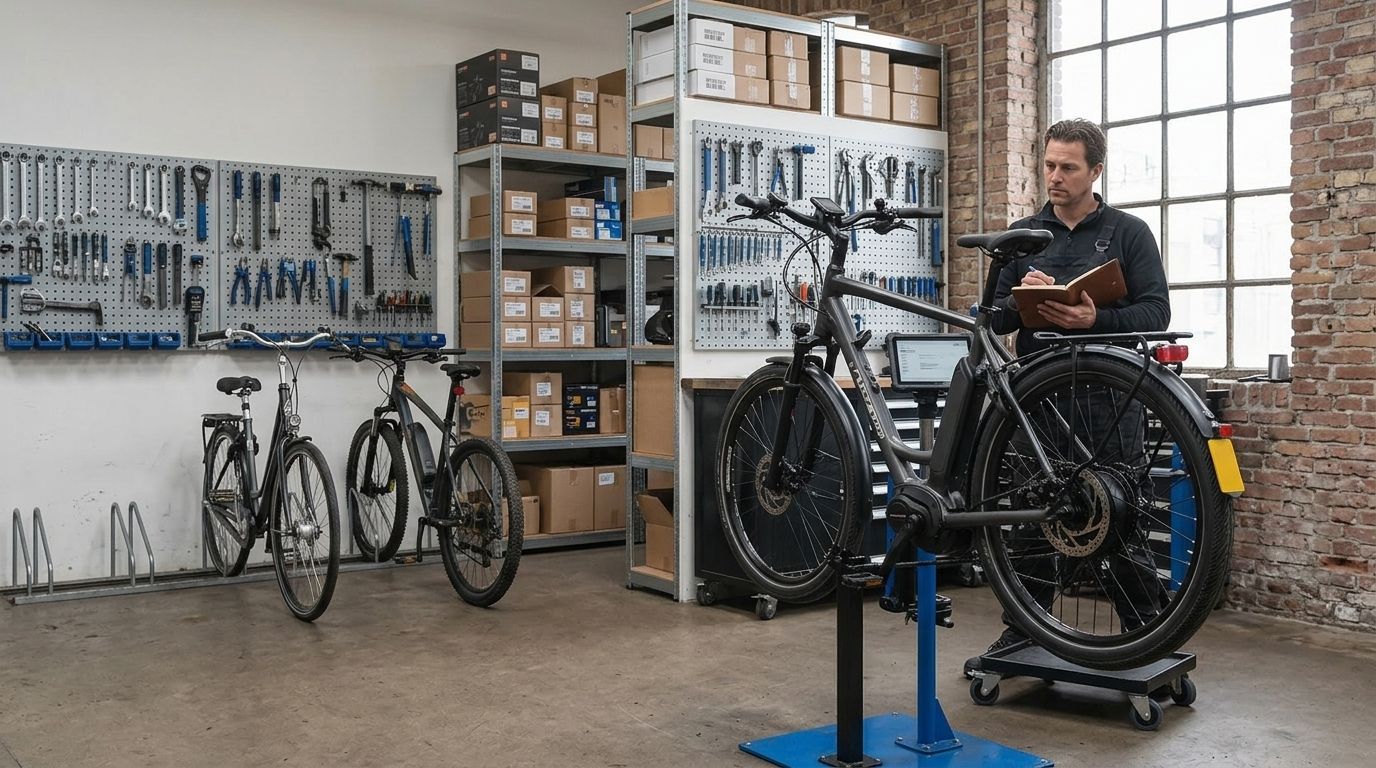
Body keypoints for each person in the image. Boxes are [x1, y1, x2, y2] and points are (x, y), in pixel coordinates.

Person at [964, 118, 1172, 678]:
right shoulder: (1023, 234)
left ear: (1095, 171)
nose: (1054, 177)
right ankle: (1024, 628)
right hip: (1037, 401)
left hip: (1111, 402)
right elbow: (995, 319)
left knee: (1118, 515)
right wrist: (1017, 297)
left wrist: (1094, 317)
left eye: (1068, 167)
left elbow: (1156, 313)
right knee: (1039, 518)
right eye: (1049, 165)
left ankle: (1144, 629)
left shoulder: (1128, 233)